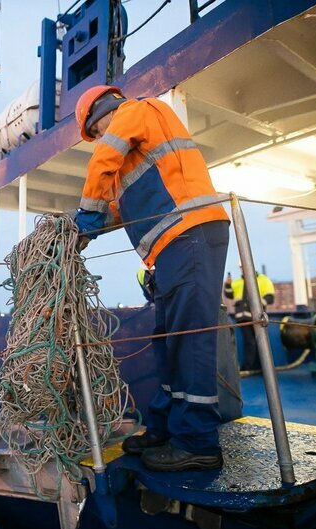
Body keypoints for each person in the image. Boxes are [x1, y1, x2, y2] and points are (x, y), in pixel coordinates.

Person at [73, 85, 230, 471]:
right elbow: (119, 208)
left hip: (189, 235)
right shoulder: (138, 151)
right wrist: (75, 228)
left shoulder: (135, 111)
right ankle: (165, 427)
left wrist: (86, 218)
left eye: (94, 132)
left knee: (189, 342)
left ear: (101, 114)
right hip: (175, 245)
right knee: (169, 341)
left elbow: (102, 161)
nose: (98, 140)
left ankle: (197, 442)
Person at [224, 267, 275, 371]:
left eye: (244, 266)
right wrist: (228, 284)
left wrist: (258, 305)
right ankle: (252, 367)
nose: (243, 268)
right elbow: (229, 294)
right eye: (241, 267)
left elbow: (270, 297)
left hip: (257, 317)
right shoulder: (238, 282)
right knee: (250, 342)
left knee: (260, 341)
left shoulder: (263, 280)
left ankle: (262, 367)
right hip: (242, 318)